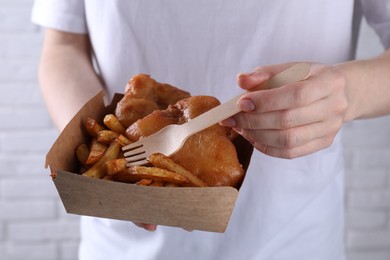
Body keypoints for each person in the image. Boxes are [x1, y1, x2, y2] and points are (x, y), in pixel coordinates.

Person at [32, 1, 390, 259]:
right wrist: (91, 163)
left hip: (293, 236)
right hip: (118, 239)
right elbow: (63, 45)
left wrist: (351, 91)